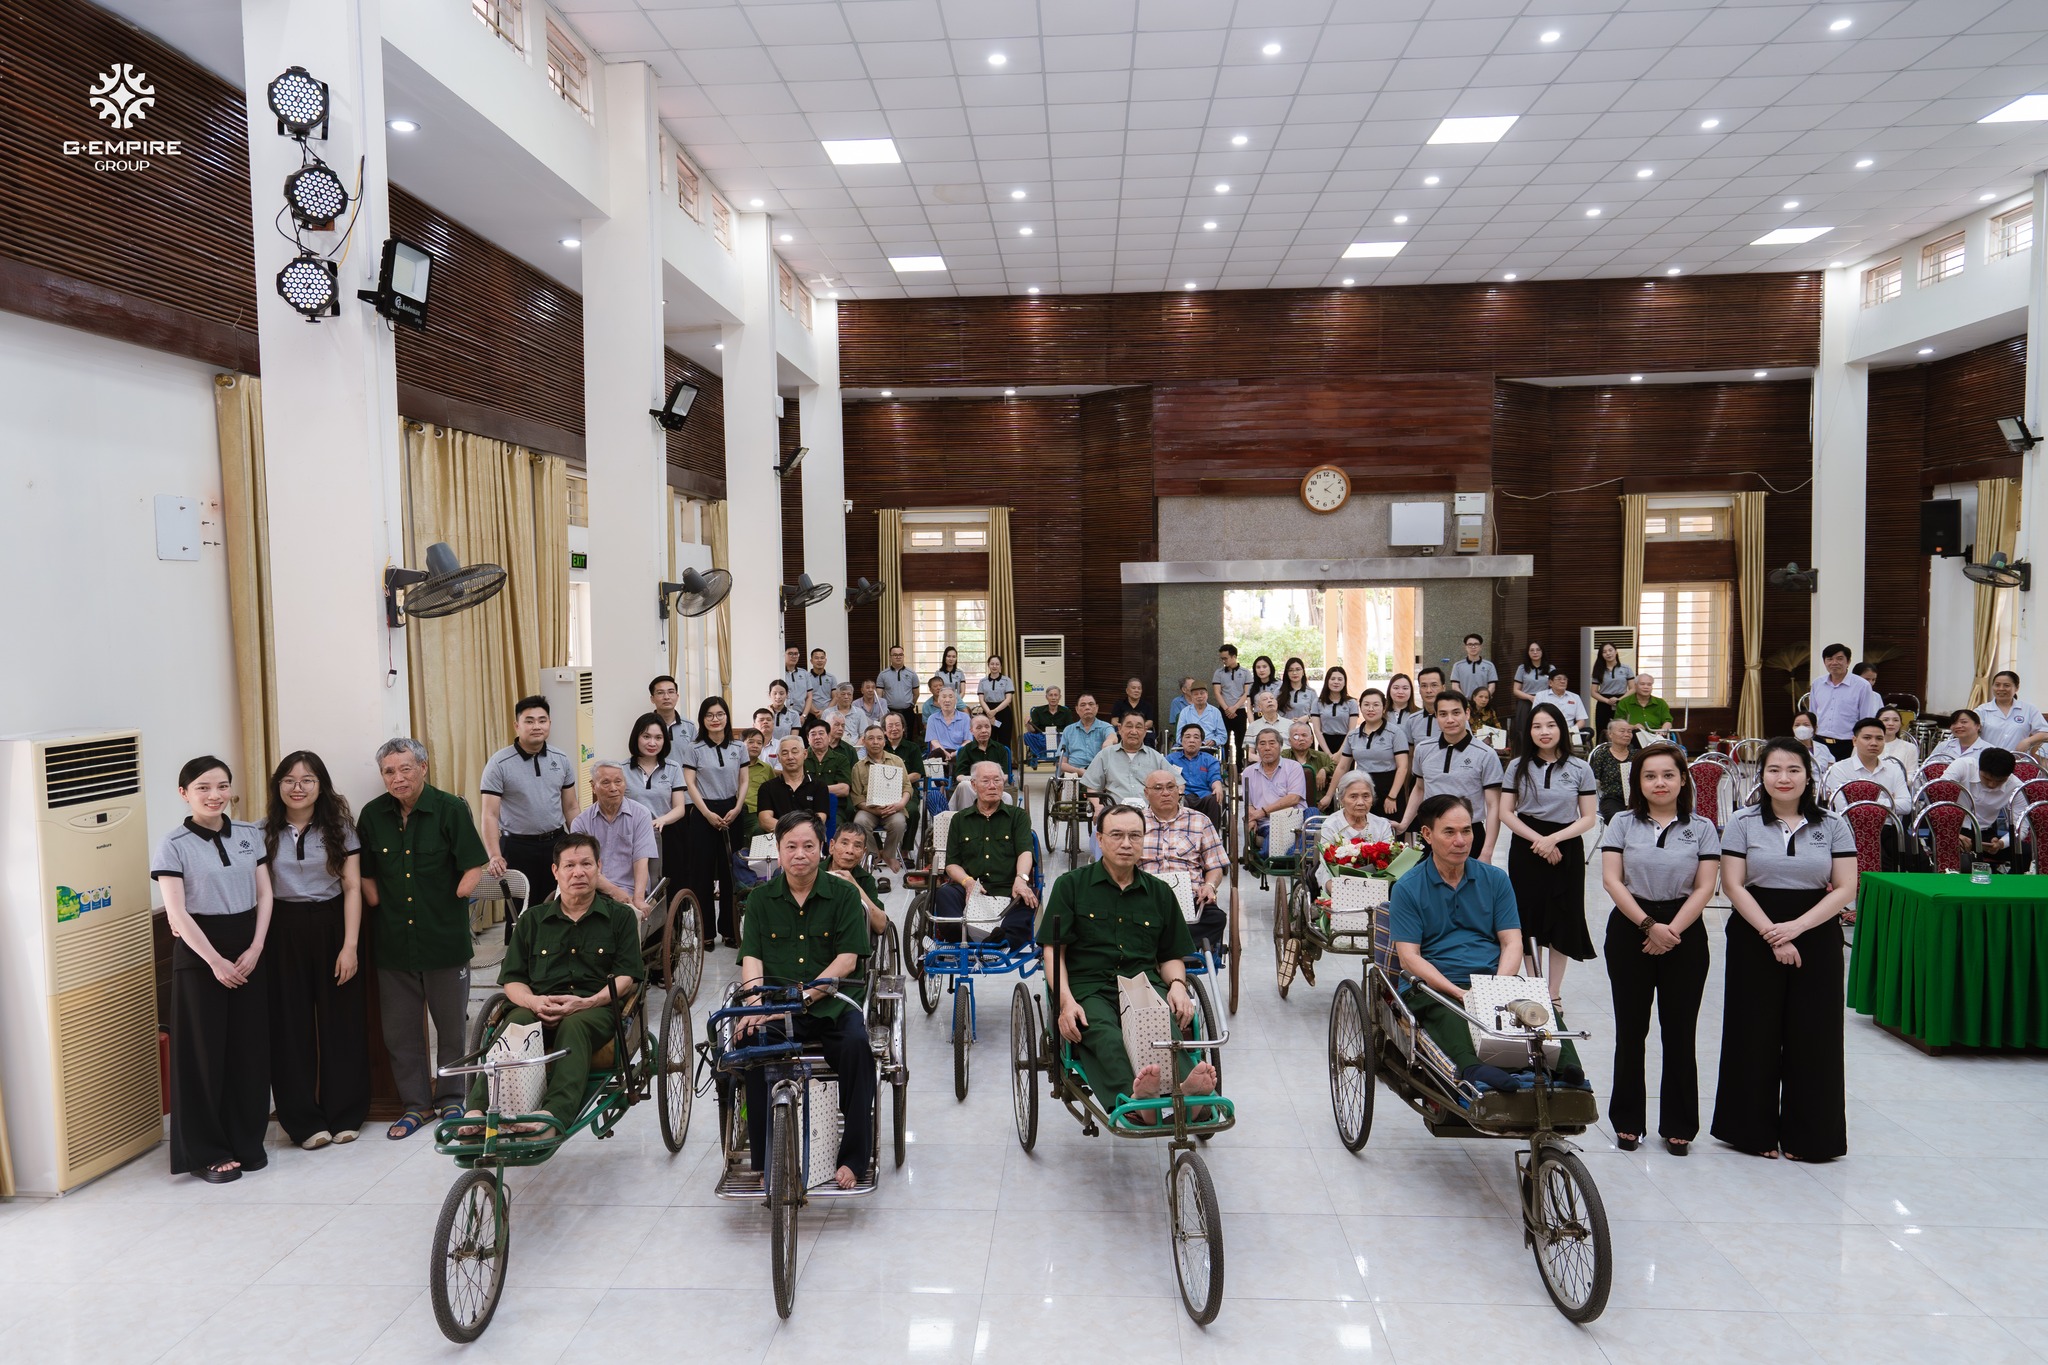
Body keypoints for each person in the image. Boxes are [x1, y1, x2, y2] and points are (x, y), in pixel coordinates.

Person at [1711, 739, 1856, 1161]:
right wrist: (1773, 934)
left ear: (1808, 776)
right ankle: (1750, 1132)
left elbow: (1846, 886)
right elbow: (1733, 884)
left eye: (1794, 770)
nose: (1784, 778)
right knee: (1752, 1030)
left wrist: (1796, 928)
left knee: (1815, 1035)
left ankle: (1810, 1137)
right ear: (1762, 776)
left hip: (1816, 931)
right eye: (1774, 770)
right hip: (1754, 930)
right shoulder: (1742, 822)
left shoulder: (1833, 823)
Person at [1389, 795, 1579, 1089]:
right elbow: (1409, 958)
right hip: (1434, 983)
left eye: (1466, 831)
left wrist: (1495, 988)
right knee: (1449, 1014)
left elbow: (1512, 942)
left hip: (1492, 977)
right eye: (1449, 832)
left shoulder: (1495, 879)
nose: (1461, 841)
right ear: (1427, 834)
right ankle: (1474, 1070)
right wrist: (1459, 993)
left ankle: (1567, 1070)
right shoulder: (1407, 887)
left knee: (1539, 1008)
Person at [457, 834, 641, 1138]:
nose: (578, 872)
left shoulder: (619, 918)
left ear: (599, 867)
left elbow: (626, 977)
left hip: (594, 1008)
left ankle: (552, 1113)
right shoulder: (532, 920)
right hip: (538, 1004)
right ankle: (477, 1109)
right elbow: (513, 980)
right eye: (569, 865)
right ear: (555, 871)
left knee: (575, 1025)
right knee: (515, 1024)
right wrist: (533, 1002)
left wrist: (587, 1002)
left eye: (586, 864)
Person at [1041, 804, 1216, 1117]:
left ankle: (1185, 1095)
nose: (1126, 843)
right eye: (1117, 835)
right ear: (1099, 839)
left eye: (1134, 836)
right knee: (1104, 1035)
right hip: (1088, 986)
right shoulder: (1071, 886)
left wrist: (1178, 985)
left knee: (1159, 1030)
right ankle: (1134, 1100)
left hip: (1141, 984)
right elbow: (1054, 951)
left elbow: (1170, 954)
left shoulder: (1160, 893)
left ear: (1143, 840)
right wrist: (1065, 1002)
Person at [734, 812, 874, 1190]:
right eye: (791, 846)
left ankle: (854, 1156)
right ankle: (765, 1158)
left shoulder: (844, 894)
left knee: (857, 1048)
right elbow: (752, 959)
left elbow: (847, 960)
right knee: (751, 1045)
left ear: (822, 849)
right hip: (776, 1006)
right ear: (778, 852)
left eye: (808, 846)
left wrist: (805, 995)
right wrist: (754, 1006)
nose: (800, 854)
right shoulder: (760, 899)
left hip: (833, 1004)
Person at [357, 738, 487, 1140]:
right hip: (394, 943)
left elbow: (474, 865)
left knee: (451, 1029)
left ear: (423, 768)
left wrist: (455, 898)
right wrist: (376, 900)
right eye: (389, 771)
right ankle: (416, 1105)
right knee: (401, 1033)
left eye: (405, 768)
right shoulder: (372, 815)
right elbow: (364, 871)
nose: (397, 778)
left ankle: (452, 1099)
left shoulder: (450, 809)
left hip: (444, 940)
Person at [155, 755, 273, 1182]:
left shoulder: (249, 834)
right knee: (203, 1056)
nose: (214, 795)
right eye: (203, 787)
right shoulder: (173, 844)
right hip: (199, 952)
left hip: (248, 948)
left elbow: (266, 894)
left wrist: (257, 946)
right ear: (184, 793)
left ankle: (246, 1142)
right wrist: (214, 961)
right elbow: (177, 913)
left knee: (249, 1051)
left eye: (222, 786)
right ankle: (207, 1151)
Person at [1600, 743, 1719, 1155]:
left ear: (1683, 779)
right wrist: (1650, 926)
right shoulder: (1621, 822)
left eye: (1668, 775)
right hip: (1630, 926)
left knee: (1680, 1032)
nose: (1660, 783)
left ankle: (1679, 1125)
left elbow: (1705, 886)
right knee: (1631, 1031)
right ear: (1638, 782)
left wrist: (1670, 931)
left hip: (1685, 931)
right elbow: (1612, 880)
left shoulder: (1702, 827)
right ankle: (1627, 1121)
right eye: (1649, 776)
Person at [263, 750, 368, 1151]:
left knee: (342, 1022)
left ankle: (346, 1114)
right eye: (289, 780)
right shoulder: (260, 832)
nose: (298, 787)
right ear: (278, 786)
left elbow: (352, 888)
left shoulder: (340, 830)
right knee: (290, 1028)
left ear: (320, 786)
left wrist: (350, 946)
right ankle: (302, 1122)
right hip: (281, 930)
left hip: (332, 925)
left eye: (307, 780)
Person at [1499, 702, 1600, 1002]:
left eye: (1551, 725)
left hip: (1566, 845)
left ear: (1562, 729)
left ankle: (1553, 993)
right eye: (1537, 726)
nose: (1544, 732)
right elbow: (1506, 813)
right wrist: (1540, 842)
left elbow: (1588, 818)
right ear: (1528, 731)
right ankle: (1536, 988)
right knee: (1529, 917)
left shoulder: (1580, 768)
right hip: (1526, 845)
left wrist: (1553, 840)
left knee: (1562, 919)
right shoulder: (1517, 766)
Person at [480, 695, 578, 906]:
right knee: (521, 910)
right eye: (529, 721)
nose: (537, 726)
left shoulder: (561, 759)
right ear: (517, 725)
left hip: (557, 844)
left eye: (542, 720)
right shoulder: (499, 763)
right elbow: (490, 815)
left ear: (549, 723)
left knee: (560, 905)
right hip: (517, 847)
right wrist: (494, 855)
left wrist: (580, 844)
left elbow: (571, 807)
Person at [935, 761, 1040, 948]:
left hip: (1009, 888)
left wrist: (1021, 879)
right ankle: (963, 937)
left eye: (997, 780)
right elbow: (952, 864)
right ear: (973, 785)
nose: (992, 786)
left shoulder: (1018, 816)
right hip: (971, 888)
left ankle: (998, 941)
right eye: (986, 781)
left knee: (1027, 900)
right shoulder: (959, 819)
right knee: (944, 893)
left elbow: (1025, 851)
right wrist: (967, 882)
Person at [1401, 689, 1506, 862]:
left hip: (1468, 833)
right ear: (1436, 717)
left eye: (1456, 713)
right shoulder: (1423, 749)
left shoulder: (1486, 754)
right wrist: (1404, 823)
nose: (1450, 719)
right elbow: (1420, 788)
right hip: (1432, 832)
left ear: (1467, 713)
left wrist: (1487, 852)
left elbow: (1494, 805)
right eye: (1443, 714)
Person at [680, 698, 749, 945]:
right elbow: (690, 783)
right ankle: (706, 933)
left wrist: (738, 807)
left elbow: (744, 780)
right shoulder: (694, 748)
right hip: (703, 812)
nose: (715, 719)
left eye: (720, 714)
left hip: (732, 810)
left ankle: (730, 930)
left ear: (727, 717)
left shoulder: (739, 746)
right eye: (709, 715)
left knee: (732, 872)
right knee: (702, 874)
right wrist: (707, 813)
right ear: (702, 719)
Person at [1140, 768, 1229, 955]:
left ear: (1179, 790)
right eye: (1158, 788)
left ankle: (1163, 948)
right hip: (1146, 897)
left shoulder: (1200, 821)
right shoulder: (1136, 823)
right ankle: (1181, 947)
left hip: (1191, 896)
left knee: (1217, 919)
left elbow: (1214, 866)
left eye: (1170, 787)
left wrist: (1210, 886)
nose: (1166, 793)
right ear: (1146, 793)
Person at [569, 761, 658, 915]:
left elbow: (641, 861)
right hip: (589, 889)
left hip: (629, 890)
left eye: (618, 781)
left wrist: (638, 898)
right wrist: (613, 891)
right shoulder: (581, 822)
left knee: (624, 917)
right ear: (593, 786)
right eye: (606, 783)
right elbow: (582, 865)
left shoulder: (641, 814)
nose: (613, 788)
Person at [625, 712, 690, 887]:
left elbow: (679, 808)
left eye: (658, 738)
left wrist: (661, 820)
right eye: (646, 736)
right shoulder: (622, 769)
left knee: (670, 885)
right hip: (632, 836)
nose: (652, 743)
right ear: (636, 737)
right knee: (638, 885)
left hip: (667, 835)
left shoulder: (673, 768)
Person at [1328, 686, 1410, 818]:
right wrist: (1329, 795)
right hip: (1362, 791)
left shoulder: (1395, 733)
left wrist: (1392, 796)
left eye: (1376, 705)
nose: (1371, 709)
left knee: (1389, 829)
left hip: (1388, 790)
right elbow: (1342, 767)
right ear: (1360, 707)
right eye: (1366, 705)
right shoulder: (1353, 735)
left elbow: (1403, 767)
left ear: (1384, 708)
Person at [1083, 711, 1172, 819]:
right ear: (1120, 728)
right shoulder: (1105, 755)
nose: (1133, 731)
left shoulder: (1156, 757)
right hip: (1114, 814)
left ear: (1145, 731)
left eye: (1138, 727)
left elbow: (1177, 784)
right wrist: (1098, 807)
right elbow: (1092, 786)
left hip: (1150, 816)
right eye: (1129, 726)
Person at [1949, 747, 2027, 870]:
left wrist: (2001, 843)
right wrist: (1952, 834)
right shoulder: (1963, 766)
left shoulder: (2016, 786)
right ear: (1979, 768)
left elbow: (2020, 827)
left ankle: (2008, 882)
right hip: (1951, 829)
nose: (1992, 784)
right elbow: (1938, 798)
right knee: (1962, 859)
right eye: (1987, 778)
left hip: (1985, 835)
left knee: (2026, 853)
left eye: (1999, 781)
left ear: (2009, 776)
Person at [1818, 717, 1913, 812]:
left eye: (1879, 738)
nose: (1874, 743)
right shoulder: (1840, 768)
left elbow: (1906, 806)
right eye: (1867, 738)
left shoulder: (1894, 769)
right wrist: (1889, 801)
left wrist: (1860, 801)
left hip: (1887, 821)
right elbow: (1843, 807)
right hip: (1850, 822)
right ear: (1854, 741)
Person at [852, 723, 911, 871]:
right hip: (869, 810)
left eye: (879, 738)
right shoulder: (858, 767)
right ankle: (873, 854)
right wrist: (874, 810)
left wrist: (901, 804)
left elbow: (907, 787)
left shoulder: (896, 761)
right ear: (864, 742)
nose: (875, 742)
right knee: (859, 822)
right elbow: (857, 797)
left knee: (899, 823)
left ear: (884, 741)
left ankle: (888, 854)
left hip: (893, 808)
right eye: (871, 738)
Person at [1242, 727, 1308, 856]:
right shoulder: (1248, 772)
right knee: (1269, 851)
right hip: (1269, 824)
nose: (1267, 748)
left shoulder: (1294, 767)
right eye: (1262, 744)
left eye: (1272, 743)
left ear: (1280, 746)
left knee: (1313, 814)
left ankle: (1290, 855)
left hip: (1295, 820)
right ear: (1257, 748)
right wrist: (1252, 818)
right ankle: (1291, 855)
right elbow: (1248, 804)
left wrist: (1262, 812)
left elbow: (1294, 798)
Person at [1809, 642, 1879, 760]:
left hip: (1847, 744)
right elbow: (1813, 713)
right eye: (1829, 659)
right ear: (1824, 662)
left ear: (1848, 662)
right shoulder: (1817, 684)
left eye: (1839, 659)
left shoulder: (1862, 686)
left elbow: (1866, 718)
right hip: (1820, 742)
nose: (1834, 662)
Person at [827, 824, 890, 942]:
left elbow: (881, 926)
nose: (850, 851)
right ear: (832, 846)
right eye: (844, 843)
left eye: (857, 846)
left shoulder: (866, 880)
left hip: (850, 941)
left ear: (863, 853)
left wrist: (854, 885)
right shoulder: (815, 873)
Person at [758, 734, 829, 836]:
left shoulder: (819, 786)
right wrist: (794, 832)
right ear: (778, 758)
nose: (790, 757)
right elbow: (765, 820)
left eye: (795, 752)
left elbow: (820, 819)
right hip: (778, 839)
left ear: (805, 754)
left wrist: (795, 832)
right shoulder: (767, 787)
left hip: (809, 838)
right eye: (785, 753)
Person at [949, 712, 1014, 809]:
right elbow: (959, 776)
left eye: (987, 727)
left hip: (994, 787)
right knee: (964, 785)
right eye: (979, 728)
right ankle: (966, 817)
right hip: (972, 788)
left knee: (1007, 797)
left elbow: (1005, 775)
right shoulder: (965, 750)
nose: (984, 730)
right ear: (971, 730)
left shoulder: (1000, 749)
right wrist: (979, 783)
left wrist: (991, 783)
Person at [1977, 669, 2048, 754]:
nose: (2001, 689)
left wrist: (2028, 741)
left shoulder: (2029, 709)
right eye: (1997, 685)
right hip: (1989, 759)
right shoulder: (1982, 710)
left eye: (2006, 685)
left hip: (2018, 759)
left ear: (2017, 688)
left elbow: (2045, 732)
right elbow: (1970, 732)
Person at [1169, 722, 1226, 826]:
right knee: (1179, 801)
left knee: (1214, 799)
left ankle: (1212, 835)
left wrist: (1217, 787)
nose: (1192, 740)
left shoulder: (1210, 760)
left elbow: (1214, 778)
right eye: (1187, 737)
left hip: (1203, 797)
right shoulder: (1171, 759)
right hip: (1182, 795)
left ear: (1201, 742)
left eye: (1196, 737)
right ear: (1181, 740)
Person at [1056, 693, 1116, 776]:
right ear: (1077, 709)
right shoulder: (1068, 730)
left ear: (1097, 708)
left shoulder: (1105, 727)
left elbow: (1113, 737)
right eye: (1083, 705)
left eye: (1091, 704)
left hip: (1099, 774)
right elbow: (1061, 764)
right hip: (1074, 774)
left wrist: (1109, 741)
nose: (1087, 707)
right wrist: (1078, 771)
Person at [1214, 644, 1254, 766]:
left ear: (1234, 657)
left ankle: (1240, 767)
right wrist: (1227, 709)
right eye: (1222, 658)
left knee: (1240, 741)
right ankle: (1224, 766)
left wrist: (1235, 708)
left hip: (1240, 711)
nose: (1223, 661)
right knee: (1224, 740)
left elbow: (1247, 693)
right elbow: (1217, 692)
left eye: (1225, 658)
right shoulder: (1219, 673)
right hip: (1224, 711)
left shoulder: (1245, 672)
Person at [1590, 716, 1636, 820]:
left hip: (1635, 797)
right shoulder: (1602, 755)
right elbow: (1593, 779)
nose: (1627, 734)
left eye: (1629, 731)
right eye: (1622, 731)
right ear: (1610, 734)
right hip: (1611, 798)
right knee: (1617, 818)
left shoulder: (1637, 755)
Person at [1615, 672, 1677, 748]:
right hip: (1634, 736)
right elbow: (1618, 724)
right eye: (1642, 684)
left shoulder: (1660, 703)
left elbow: (1668, 721)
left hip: (1656, 736)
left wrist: (1663, 729)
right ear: (1635, 686)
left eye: (1649, 684)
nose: (1646, 687)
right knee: (1635, 733)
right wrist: (1633, 726)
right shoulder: (1624, 702)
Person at [741, 721, 780, 838]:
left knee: (759, 830)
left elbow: (774, 792)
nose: (755, 746)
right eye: (751, 742)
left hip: (755, 812)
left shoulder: (766, 768)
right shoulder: (732, 766)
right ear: (741, 744)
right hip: (734, 810)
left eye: (759, 743)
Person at [1287, 719, 1337, 809]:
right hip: (1289, 806)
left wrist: (1325, 770)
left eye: (1304, 735)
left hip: (1317, 806)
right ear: (1289, 741)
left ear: (1311, 739)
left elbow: (1338, 769)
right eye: (1296, 736)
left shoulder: (1322, 757)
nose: (1301, 739)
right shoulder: (1282, 757)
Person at [804, 716, 855, 805]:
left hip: (835, 805)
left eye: (821, 733)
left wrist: (814, 790)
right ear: (808, 739)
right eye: (813, 734)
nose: (817, 737)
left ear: (828, 737)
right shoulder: (801, 759)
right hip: (807, 805)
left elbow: (844, 789)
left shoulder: (841, 759)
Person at [1591, 641, 1635, 735]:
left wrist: (1619, 699)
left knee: (1622, 730)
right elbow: (1593, 692)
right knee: (1603, 731)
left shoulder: (1626, 668)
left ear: (1616, 651)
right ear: (1601, 655)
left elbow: (1633, 689)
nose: (1608, 653)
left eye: (1610, 650)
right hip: (1604, 703)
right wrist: (1607, 701)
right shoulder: (1599, 669)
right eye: (1604, 652)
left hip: (1622, 702)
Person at [1510, 639, 1555, 731]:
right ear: (1528, 653)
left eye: (1538, 650)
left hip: (1545, 701)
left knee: (1544, 727)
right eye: (1532, 650)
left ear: (1542, 652)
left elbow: (1555, 688)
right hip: (1526, 701)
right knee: (1524, 729)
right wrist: (1530, 698)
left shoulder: (1551, 668)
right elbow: (1516, 690)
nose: (1535, 652)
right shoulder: (1522, 668)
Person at [879, 644, 921, 740]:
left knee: (907, 738)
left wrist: (910, 705)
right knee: (889, 738)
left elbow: (916, 694)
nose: (898, 657)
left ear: (903, 656)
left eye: (900, 654)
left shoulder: (912, 674)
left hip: (907, 712)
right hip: (889, 712)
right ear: (890, 657)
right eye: (895, 655)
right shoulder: (883, 675)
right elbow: (879, 695)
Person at [649, 674, 697, 754]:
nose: (666, 697)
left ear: (677, 696)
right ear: (652, 699)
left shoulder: (689, 726)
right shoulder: (645, 725)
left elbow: (696, 756)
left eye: (671, 692)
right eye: (660, 693)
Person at [1027, 684, 1077, 761]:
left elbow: (1070, 729)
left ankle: (1060, 755)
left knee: (1069, 737)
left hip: (1060, 737)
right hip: (1042, 738)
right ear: (1046, 697)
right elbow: (1032, 730)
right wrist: (1027, 723)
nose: (1053, 698)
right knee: (1027, 736)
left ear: (1059, 697)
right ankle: (1040, 753)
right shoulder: (1037, 711)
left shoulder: (1066, 711)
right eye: (1050, 695)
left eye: (1056, 695)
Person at [1315, 665, 1358, 752]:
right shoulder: (1317, 702)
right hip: (1325, 744)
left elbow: (1351, 730)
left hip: (1346, 745)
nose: (1336, 682)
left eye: (1340, 679)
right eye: (1333, 679)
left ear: (1344, 682)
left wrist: (1339, 753)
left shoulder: (1352, 702)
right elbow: (1317, 730)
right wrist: (1328, 753)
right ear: (1327, 681)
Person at [925, 685, 972, 763]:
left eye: (951, 697)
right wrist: (944, 752)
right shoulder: (932, 719)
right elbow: (934, 741)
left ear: (956, 700)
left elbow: (968, 740)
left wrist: (956, 753)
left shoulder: (965, 718)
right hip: (939, 752)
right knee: (936, 757)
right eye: (944, 697)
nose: (947, 700)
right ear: (938, 700)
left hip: (959, 751)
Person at [1542, 670, 1591, 741]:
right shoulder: (1541, 696)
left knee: (1589, 731)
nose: (1562, 681)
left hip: (1570, 731)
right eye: (1559, 679)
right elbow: (1535, 717)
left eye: (1565, 679)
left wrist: (1570, 730)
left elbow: (1581, 721)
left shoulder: (1575, 697)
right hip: (1548, 731)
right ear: (1550, 683)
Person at [981, 654, 1016, 751]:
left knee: (1004, 741)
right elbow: (981, 699)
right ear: (988, 665)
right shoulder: (983, 681)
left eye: (997, 664)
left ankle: (1004, 760)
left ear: (1001, 666)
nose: (994, 666)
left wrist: (995, 711)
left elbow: (1008, 699)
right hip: (987, 711)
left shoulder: (1007, 680)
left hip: (1003, 712)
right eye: (992, 664)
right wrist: (989, 713)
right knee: (988, 740)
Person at [1176, 683, 1227, 750]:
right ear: (1191, 696)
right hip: (1188, 747)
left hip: (1208, 747)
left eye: (1202, 693)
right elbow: (1179, 736)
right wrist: (1189, 742)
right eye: (1196, 694)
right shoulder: (1185, 712)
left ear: (1207, 694)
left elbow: (1222, 736)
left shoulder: (1215, 712)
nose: (1199, 696)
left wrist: (1214, 741)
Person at [1406, 667, 1445, 751]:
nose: (1428, 690)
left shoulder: (1454, 719)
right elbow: (1411, 753)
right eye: (1424, 686)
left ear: (1443, 688)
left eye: (1434, 685)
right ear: (1419, 690)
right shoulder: (1412, 720)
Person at [1789, 709, 1833, 779]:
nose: (1801, 728)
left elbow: (1831, 768)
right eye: (1797, 725)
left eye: (1806, 725)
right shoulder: (1788, 748)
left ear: (1814, 728)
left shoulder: (1823, 747)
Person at [1451, 633, 1497, 699]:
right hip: (1464, 701)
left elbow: (1492, 686)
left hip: (1483, 701)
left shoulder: (1489, 665)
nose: (1473, 647)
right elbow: (1455, 686)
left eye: (1476, 644)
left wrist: (1484, 698)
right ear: (1465, 647)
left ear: (1481, 647)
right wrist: (1464, 700)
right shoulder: (1457, 666)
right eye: (1470, 644)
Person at [1109, 675, 1157, 739]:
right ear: (1127, 691)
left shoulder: (1147, 705)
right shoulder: (1119, 704)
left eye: (1139, 688)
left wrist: (1137, 727)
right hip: (1123, 733)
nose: (1137, 690)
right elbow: (1114, 721)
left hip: (1142, 734)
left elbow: (1150, 722)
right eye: (1133, 688)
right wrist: (1125, 727)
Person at [1876, 706, 1920, 771]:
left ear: (1900, 724)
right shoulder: (1867, 745)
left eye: (1895, 720)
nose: (1891, 724)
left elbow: (1912, 774)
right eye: (1886, 720)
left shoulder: (1910, 748)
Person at [850, 679, 891, 748]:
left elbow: (883, 720)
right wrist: (874, 723)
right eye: (868, 687)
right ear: (862, 690)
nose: (871, 690)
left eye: (873, 687)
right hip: (862, 734)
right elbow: (857, 722)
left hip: (879, 732)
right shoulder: (855, 704)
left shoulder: (882, 702)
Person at [802, 647, 839, 720]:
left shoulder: (831, 677)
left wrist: (825, 712)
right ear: (811, 661)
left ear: (825, 660)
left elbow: (835, 697)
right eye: (816, 658)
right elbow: (805, 697)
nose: (819, 660)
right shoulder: (806, 677)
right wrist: (816, 712)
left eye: (822, 658)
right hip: (811, 714)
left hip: (829, 714)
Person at [765, 678, 804, 743]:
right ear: (769, 694)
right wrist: (770, 716)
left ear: (787, 694)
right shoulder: (764, 714)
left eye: (781, 693)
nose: (778, 697)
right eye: (775, 693)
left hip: (786, 747)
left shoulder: (794, 714)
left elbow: (793, 739)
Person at [779, 645, 812, 715]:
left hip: (801, 714)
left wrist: (804, 715)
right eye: (790, 654)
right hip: (783, 714)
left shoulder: (804, 673)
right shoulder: (779, 673)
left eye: (796, 654)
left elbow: (809, 696)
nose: (794, 656)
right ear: (783, 655)